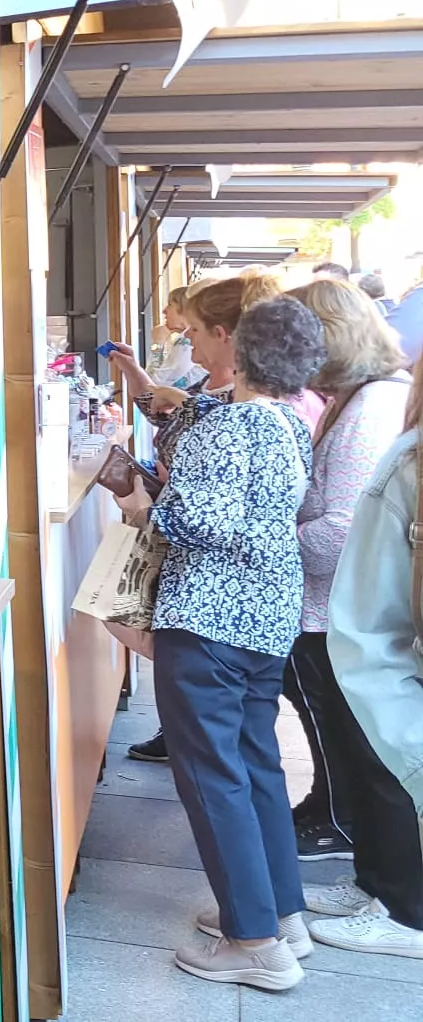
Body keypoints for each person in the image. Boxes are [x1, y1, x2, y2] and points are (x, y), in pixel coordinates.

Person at [115, 296, 324, 990]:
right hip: (266, 616)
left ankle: (253, 940)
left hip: (207, 618)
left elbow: (201, 523)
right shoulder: (290, 424)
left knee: (212, 778)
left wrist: (142, 500)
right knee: (256, 765)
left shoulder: (227, 428)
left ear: (237, 351)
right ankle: (280, 913)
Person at [281, 279, 411, 863]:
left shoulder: (369, 407)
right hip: (336, 609)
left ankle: (363, 852)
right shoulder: (357, 400)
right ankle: (341, 824)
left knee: (359, 744)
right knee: (340, 740)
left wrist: (271, 541)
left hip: (341, 610)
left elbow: (342, 529)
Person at [319, 375, 423, 959]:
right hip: (395, 663)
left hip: (392, 669)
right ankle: (384, 889)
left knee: (385, 772)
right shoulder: (405, 455)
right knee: (373, 769)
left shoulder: (405, 458)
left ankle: (404, 908)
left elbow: (369, 619)